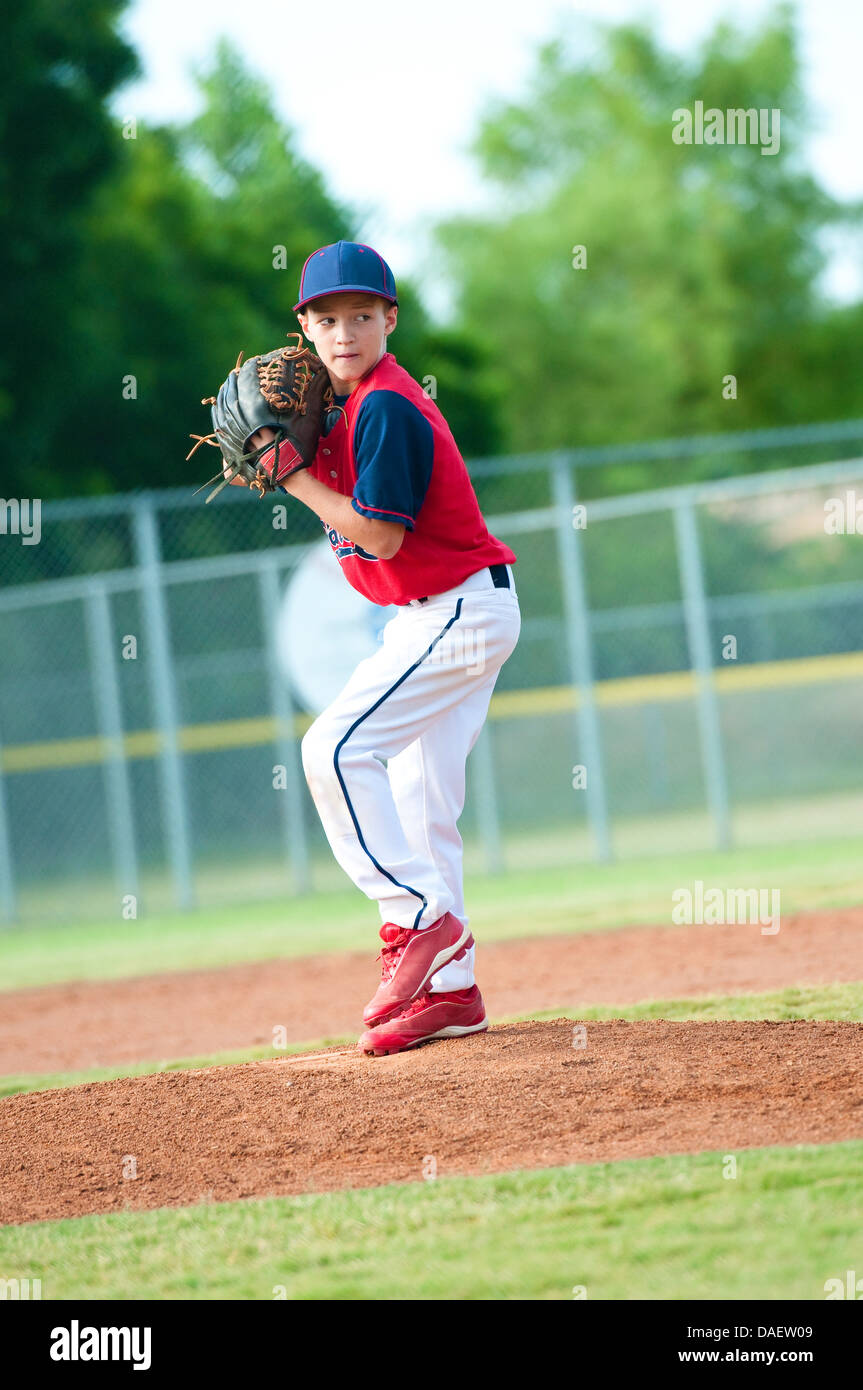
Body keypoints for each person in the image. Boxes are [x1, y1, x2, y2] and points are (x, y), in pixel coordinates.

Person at [250, 240, 520, 1056]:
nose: (343, 332)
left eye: (360, 316)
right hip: (443, 613)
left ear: (388, 320)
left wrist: (291, 478)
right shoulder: (337, 408)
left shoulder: (387, 406)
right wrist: (285, 454)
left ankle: (420, 922)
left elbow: (381, 537)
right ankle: (452, 993)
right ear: (303, 327)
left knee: (331, 750)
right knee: (420, 812)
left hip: (455, 610)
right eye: (325, 318)